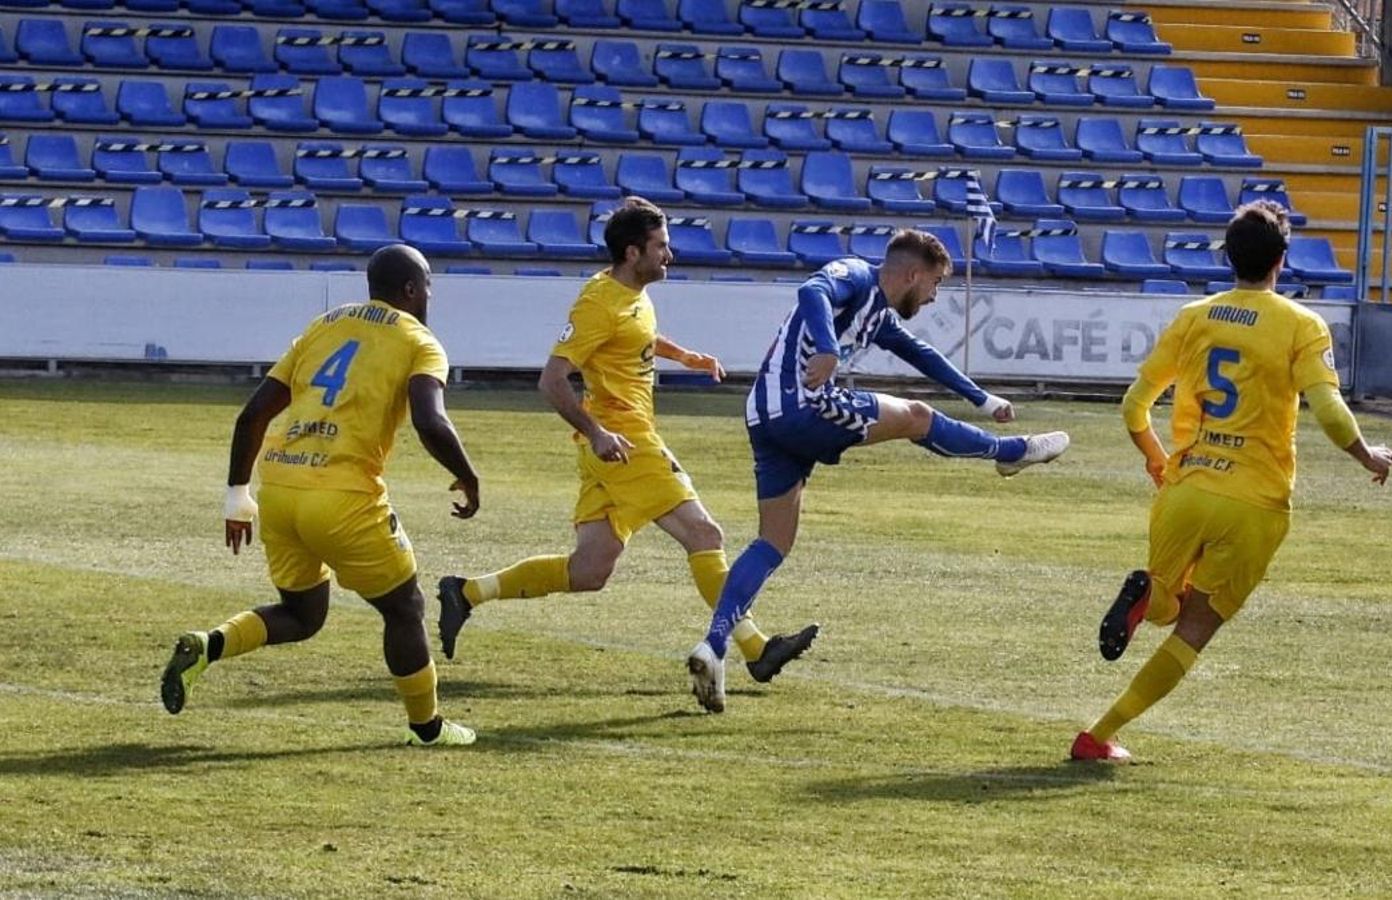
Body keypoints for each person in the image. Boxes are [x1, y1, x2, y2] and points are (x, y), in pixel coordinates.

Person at [686, 228, 1071, 713]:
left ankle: (714, 645)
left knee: (773, 541)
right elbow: (812, 291)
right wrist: (827, 347)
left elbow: (921, 354)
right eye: (933, 285)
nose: (933, 297)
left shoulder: (878, 314)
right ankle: (1008, 453)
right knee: (916, 417)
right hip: (803, 404)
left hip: (765, 417)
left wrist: (983, 398)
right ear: (912, 273)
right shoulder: (854, 275)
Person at [435, 196, 819, 684]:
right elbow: (551, 380)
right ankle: (756, 648)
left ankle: (465, 592)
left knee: (589, 570)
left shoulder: (630, 293)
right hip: (625, 441)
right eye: (661, 246)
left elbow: (637, 335)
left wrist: (686, 356)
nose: (669, 255)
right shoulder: (599, 302)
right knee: (706, 535)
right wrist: (597, 433)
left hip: (611, 446)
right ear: (633, 252)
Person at [1071, 201, 1392, 762]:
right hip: (1256, 501)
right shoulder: (1301, 324)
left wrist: (1158, 460)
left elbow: (1134, 406)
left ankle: (1147, 597)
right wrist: (1367, 455)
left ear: (1228, 257)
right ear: (1282, 260)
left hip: (1188, 485)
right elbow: (1327, 408)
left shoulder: (1195, 316)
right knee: (1194, 625)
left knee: (1167, 602)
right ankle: (1098, 735)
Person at [160, 244, 483, 747]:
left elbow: (253, 415)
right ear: (412, 290)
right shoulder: (420, 341)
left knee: (303, 614)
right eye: (428, 288)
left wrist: (237, 495)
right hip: (343, 498)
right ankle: (428, 728)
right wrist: (467, 474)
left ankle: (209, 644)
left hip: (281, 490)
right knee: (405, 608)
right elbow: (429, 420)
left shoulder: (323, 326)